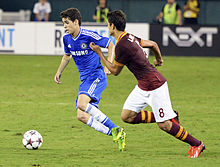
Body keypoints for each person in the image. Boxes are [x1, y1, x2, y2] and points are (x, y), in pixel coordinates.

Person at [90, 10, 206, 158]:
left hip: (155, 86)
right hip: (143, 86)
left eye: (108, 24)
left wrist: (100, 53)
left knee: (164, 125)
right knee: (127, 116)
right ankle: (171, 115)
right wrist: (159, 59)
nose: (107, 26)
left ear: (112, 26)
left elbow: (115, 71)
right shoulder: (129, 37)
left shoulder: (122, 46)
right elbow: (153, 44)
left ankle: (197, 144)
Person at [54, 8, 126, 151]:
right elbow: (66, 56)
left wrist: (109, 66)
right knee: (81, 116)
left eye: (67, 23)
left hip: (96, 77)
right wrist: (59, 72)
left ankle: (115, 128)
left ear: (76, 22)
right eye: (63, 23)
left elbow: (111, 45)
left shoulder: (88, 35)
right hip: (85, 81)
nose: (64, 26)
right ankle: (115, 132)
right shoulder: (66, 38)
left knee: (81, 104)